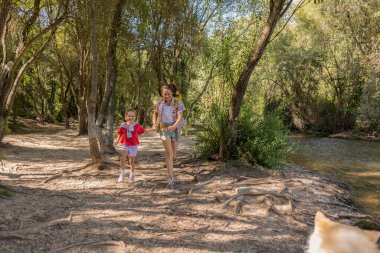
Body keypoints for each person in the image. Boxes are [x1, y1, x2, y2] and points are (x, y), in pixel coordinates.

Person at [153, 84, 186, 188]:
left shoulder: (178, 102)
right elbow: (155, 114)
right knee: (169, 153)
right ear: (162, 94)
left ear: (172, 93)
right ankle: (171, 178)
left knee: (173, 155)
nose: (166, 96)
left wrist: (174, 126)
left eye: (168, 94)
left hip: (175, 128)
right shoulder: (160, 103)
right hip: (164, 129)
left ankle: (168, 162)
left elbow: (180, 117)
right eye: (164, 94)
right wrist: (154, 123)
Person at [114, 110, 145, 183]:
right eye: (129, 116)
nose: (130, 117)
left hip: (133, 145)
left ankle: (132, 175)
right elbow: (120, 134)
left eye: (132, 116)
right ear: (126, 117)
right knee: (122, 158)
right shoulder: (123, 125)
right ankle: (122, 173)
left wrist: (152, 129)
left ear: (135, 118)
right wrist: (117, 140)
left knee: (132, 161)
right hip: (125, 144)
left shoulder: (136, 125)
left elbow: (143, 131)